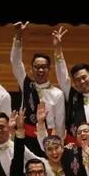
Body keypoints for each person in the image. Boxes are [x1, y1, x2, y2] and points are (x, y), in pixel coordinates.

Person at [11, 21, 66, 156]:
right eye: (37, 67)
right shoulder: (26, 85)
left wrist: (59, 148)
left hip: (48, 142)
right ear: (31, 69)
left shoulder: (57, 93)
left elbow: (60, 124)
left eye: (44, 67)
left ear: (49, 69)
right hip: (25, 139)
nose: (40, 70)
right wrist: (18, 36)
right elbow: (15, 62)